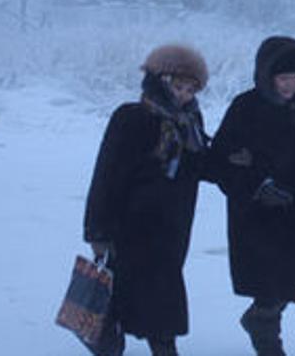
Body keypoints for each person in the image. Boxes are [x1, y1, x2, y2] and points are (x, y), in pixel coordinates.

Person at [210, 36, 295, 356]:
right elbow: (220, 160)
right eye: (284, 78)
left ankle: (259, 321)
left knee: (291, 283)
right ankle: (269, 344)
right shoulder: (246, 107)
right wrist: (257, 186)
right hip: (259, 216)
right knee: (270, 285)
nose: (290, 85)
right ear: (268, 75)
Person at [83, 44, 211, 356]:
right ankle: (122, 346)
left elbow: (200, 166)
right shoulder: (131, 118)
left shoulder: (190, 122)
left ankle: (162, 345)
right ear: (158, 81)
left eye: (190, 89)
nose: (183, 95)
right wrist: (97, 231)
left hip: (172, 227)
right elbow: (107, 175)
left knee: (161, 291)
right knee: (117, 296)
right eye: (177, 86)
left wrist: (238, 160)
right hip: (129, 225)